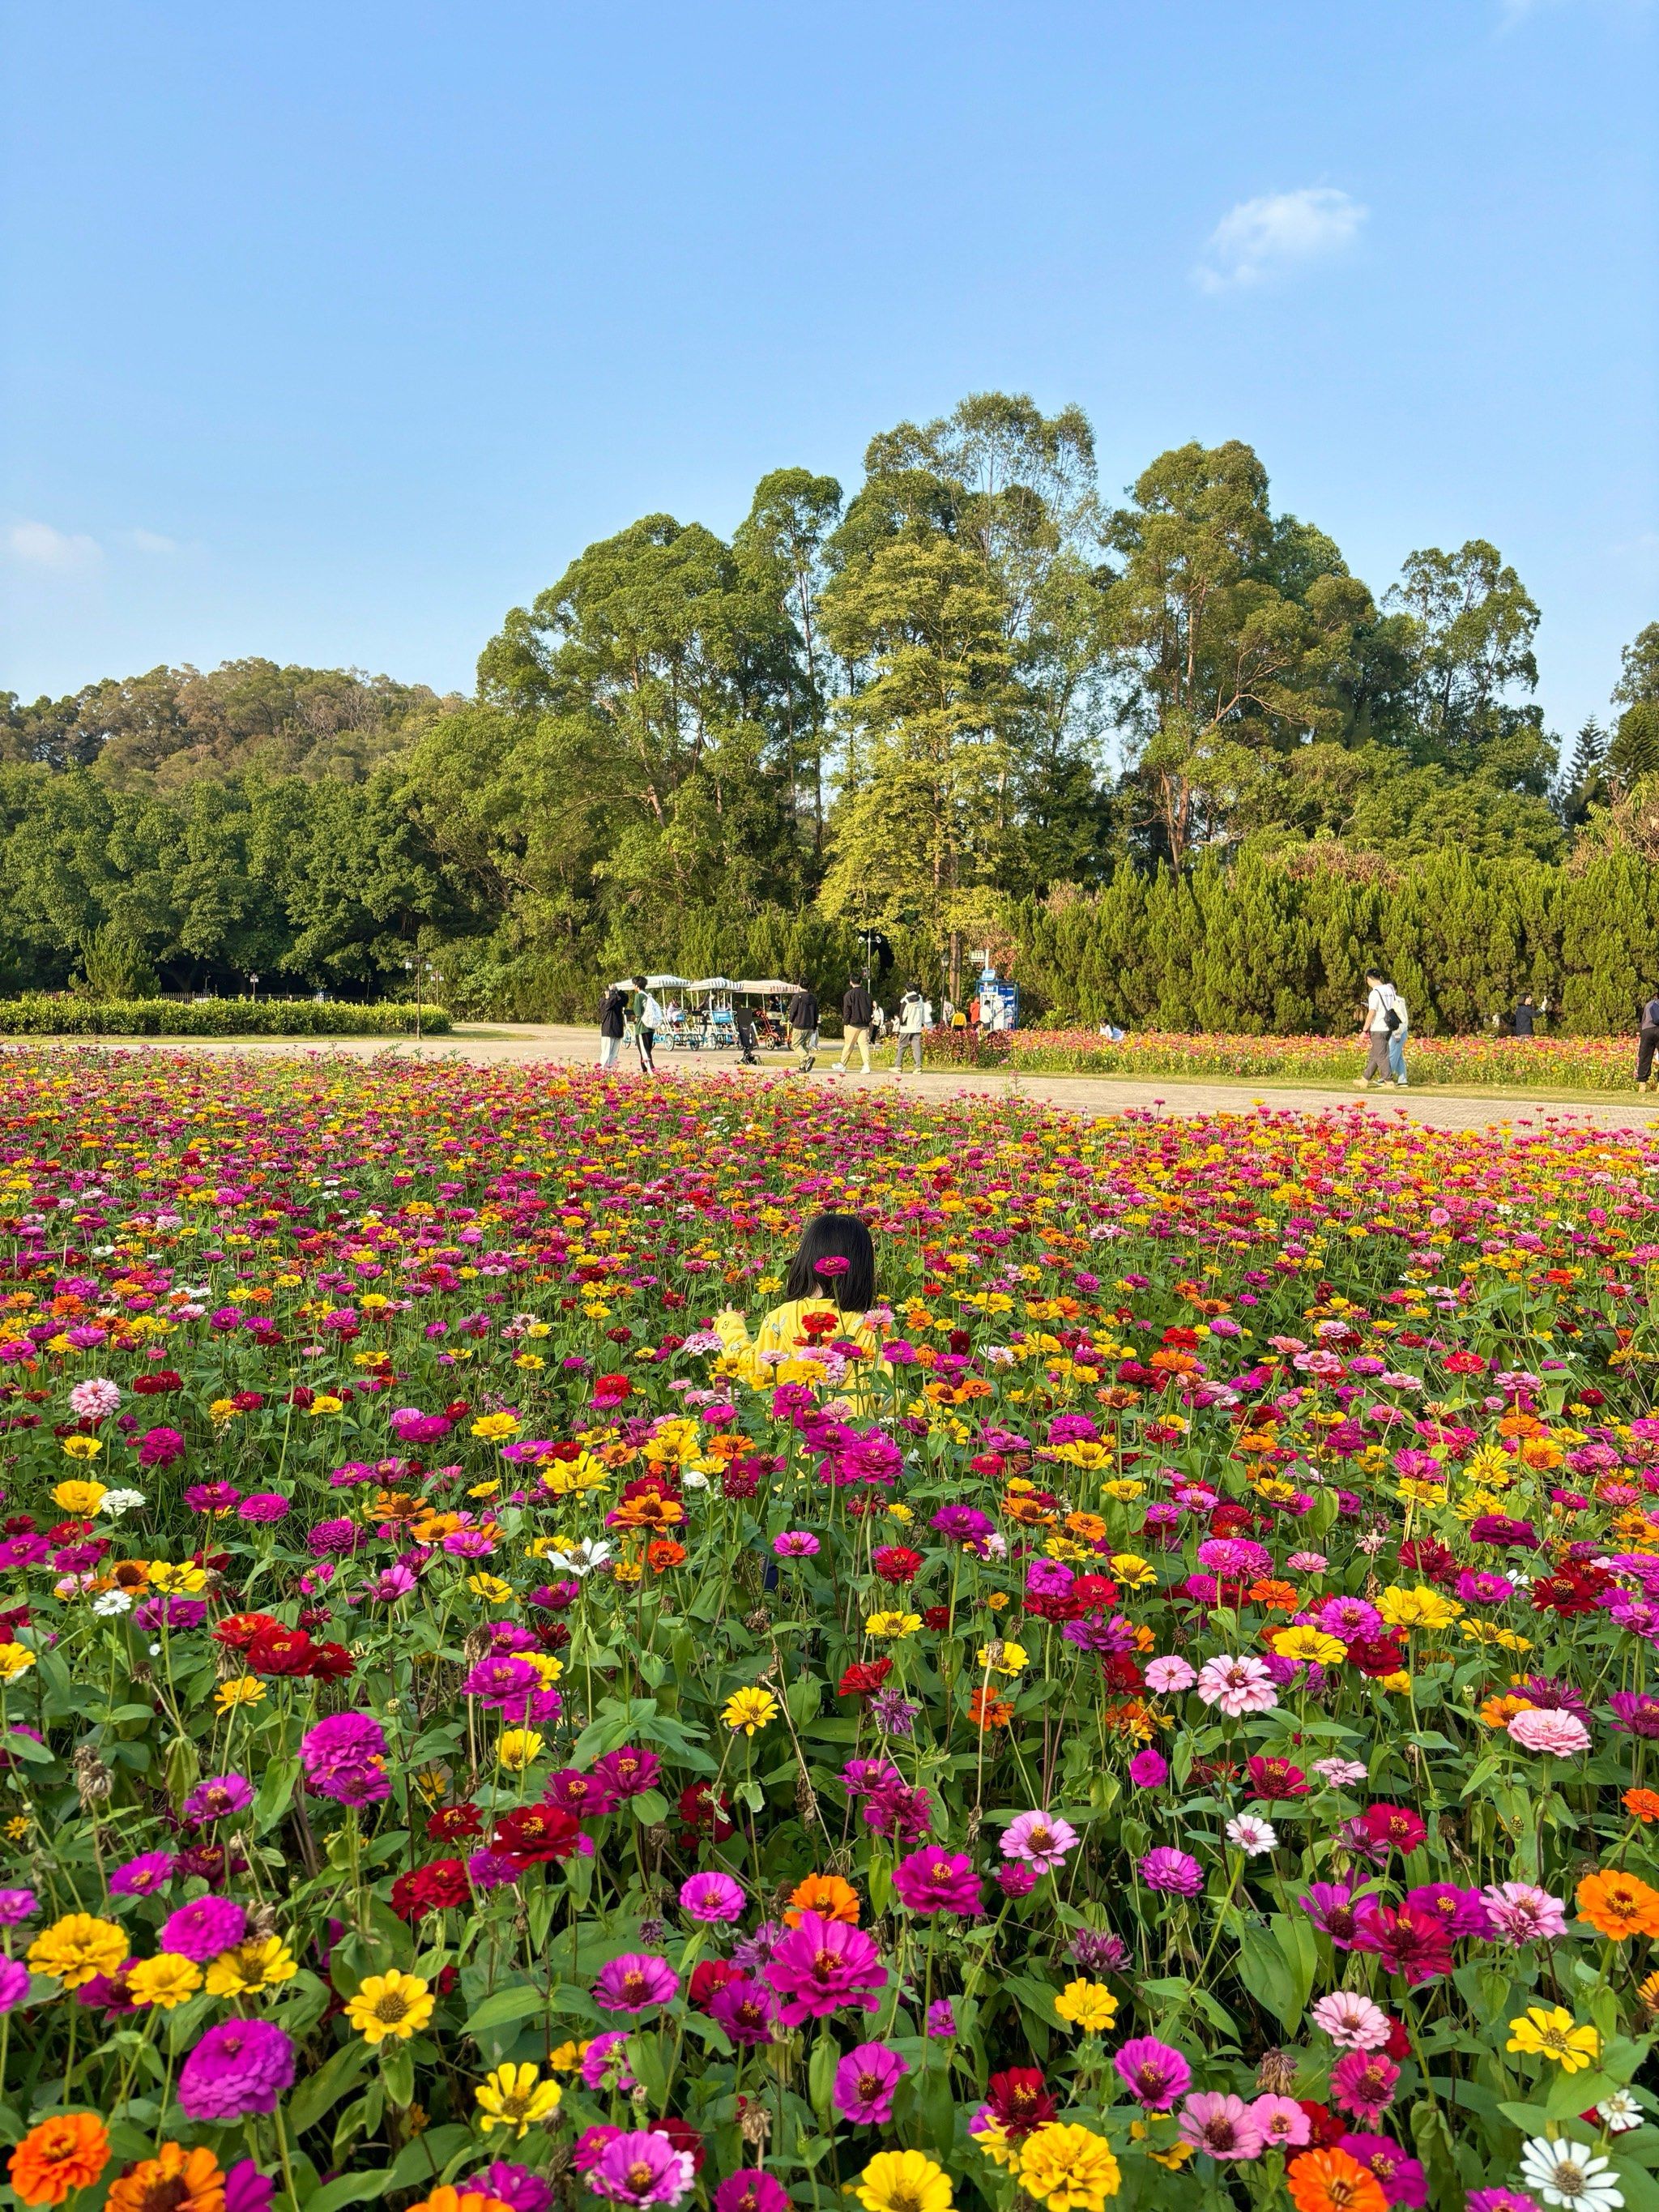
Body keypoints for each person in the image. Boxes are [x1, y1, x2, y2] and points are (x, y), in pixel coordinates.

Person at [712, 1211, 886, 1403]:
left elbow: (749, 1367)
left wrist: (729, 1324)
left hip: (796, 1425)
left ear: (805, 1259)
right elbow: (886, 1395)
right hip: (855, 1430)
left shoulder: (782, 1317)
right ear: (863, 1271)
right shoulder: (874, 1326)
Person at [1356, 971, 1401, 1087]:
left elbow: (1372, 1012)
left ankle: (1389, 1081)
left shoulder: (1374, 993)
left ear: (1368, 979)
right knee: (1376, 1054)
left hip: (1378, 1027)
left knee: (1381, 1055)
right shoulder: (1389, 990)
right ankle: (1365, 1079)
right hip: (1388, 1026)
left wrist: (1364, 1031)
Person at [836, 974, 874, 1074]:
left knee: (849, 1044)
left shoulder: (849, 994)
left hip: (853, 1023)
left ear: (850, 982)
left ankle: (843, 1064)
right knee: (864, 1045)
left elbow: (847, 1011)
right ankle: (866, 1065)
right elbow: (870, 1009)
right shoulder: (867, 994)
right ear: (861, 981)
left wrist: (846, 1023)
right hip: (864, 1024)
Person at [629, 975, 661, 1074]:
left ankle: (651, 1070)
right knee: (647, 1050)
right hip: (650, 1028)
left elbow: (637, 1012)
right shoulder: (648, 996)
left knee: (644, 1051)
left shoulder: (639, 996)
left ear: (637, 986)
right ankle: (645, 1071)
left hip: (642, 1028)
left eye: (634, 985)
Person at [786, 980, 819, 1072]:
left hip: (799, 1024)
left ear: (799, 985)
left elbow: (793, 1011)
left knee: (795, 1045)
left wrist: (791, 1020)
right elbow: (816, 1013)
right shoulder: (813, 998)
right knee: (804, 1045)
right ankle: (803, 1066)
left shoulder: (797, 997)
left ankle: (807, 1058)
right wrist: (815, 1026)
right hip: (810, 1026)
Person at [893, 986, 926, 1075]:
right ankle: (918, 1067)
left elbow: (903, 1015)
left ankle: (898, 1066)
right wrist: (922, 1023)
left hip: (907, 1027)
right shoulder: (920, 1000)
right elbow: (923, 1012)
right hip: (917, 1027)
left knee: (902, 1046)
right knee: (917, 1047)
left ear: (906, 990)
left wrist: (901, 1023)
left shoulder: (905, 1000)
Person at [597, 984, 627, 1071]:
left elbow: (625, 999)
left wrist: (619, 991)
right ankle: (603, 1070)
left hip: (617, 1031)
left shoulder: (616, 1002)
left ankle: (611, 1070)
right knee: (606, 1053)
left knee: (614, 1055)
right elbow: (610, 1002)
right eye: (610, 991)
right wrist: (613, 992)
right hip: (608, 1031)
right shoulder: (604, 1002)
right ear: (606, 992)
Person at [1387, 988, 1410, 1087]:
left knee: (1392, 1056)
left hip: (1398, 1032)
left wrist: (1397, 1033)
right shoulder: (1392, 1000)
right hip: (1397, 1032)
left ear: (1395, 990)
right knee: (1398, 1056)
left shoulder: (1396, 1001)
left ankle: (1387, 1077)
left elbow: (1401, 1019)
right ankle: (1402, 1079)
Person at [1637, 992, 1659, 1095]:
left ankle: (1642, 1085)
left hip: (1647, 1031)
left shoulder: (1648, 1005)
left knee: (1645, 1057)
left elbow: (1644, 1021)